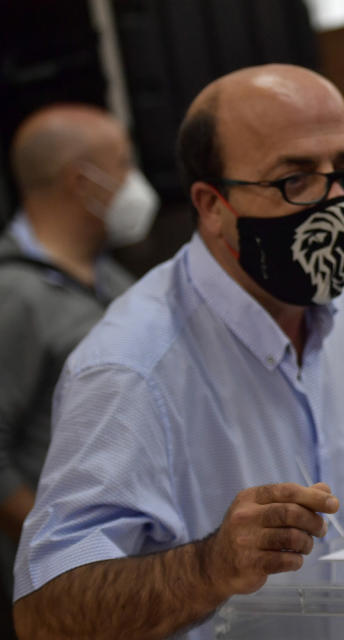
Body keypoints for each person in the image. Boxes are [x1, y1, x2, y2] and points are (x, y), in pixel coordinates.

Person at [12, 64, 344, 640]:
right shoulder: (131, 368)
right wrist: (209, 567)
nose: (336, 201)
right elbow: (45, 614)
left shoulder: (342, 312)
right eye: (296, 179)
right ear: (213, 206)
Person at [0, 104, 154, 628]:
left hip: (139, 575)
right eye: (123, 163)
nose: (135, 181)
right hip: (69, 596)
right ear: (79, 181)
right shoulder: (14, 295)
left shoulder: (116, 281)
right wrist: (69, 555)